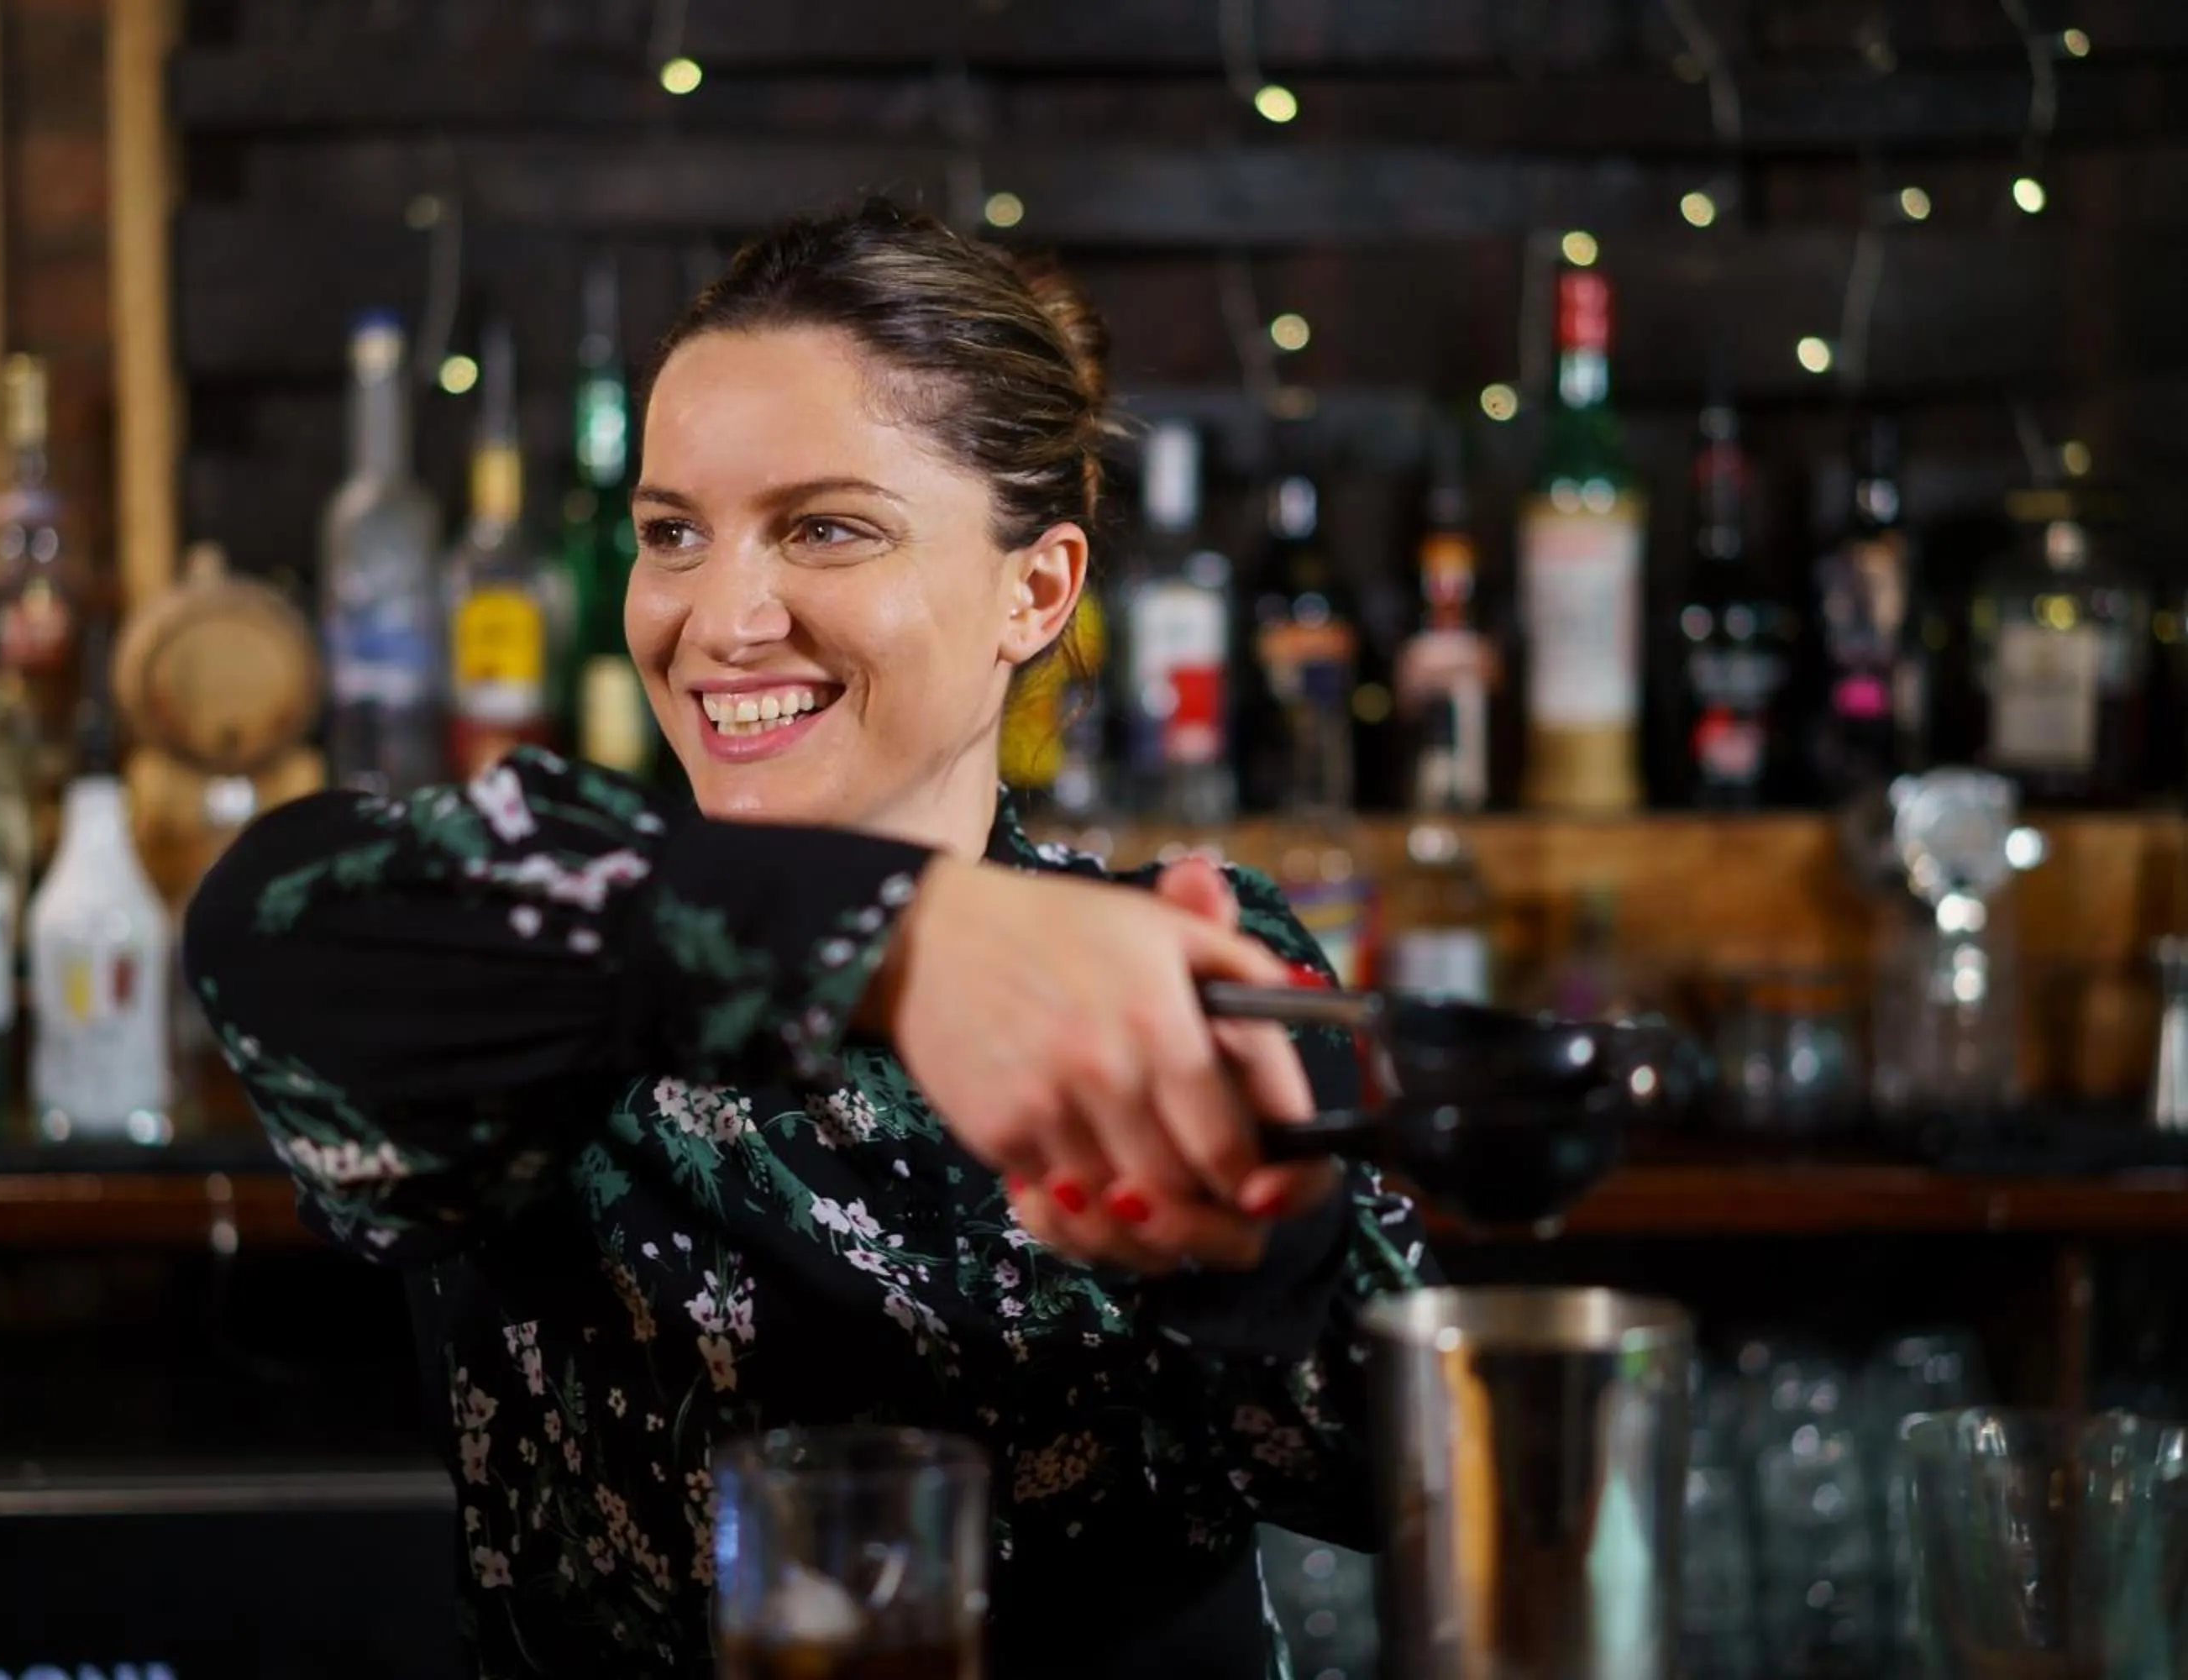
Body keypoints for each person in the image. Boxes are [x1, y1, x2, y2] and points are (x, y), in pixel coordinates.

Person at [183, 198, 1432, 1680]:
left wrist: (1255, 1256)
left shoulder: (1176, 955)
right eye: (672, 536)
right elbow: (272, 924)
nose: (719, 618)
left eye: (826, 527)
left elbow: (1406, 1485)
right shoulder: (553, 964)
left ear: (1035, 591)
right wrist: (899, 939)